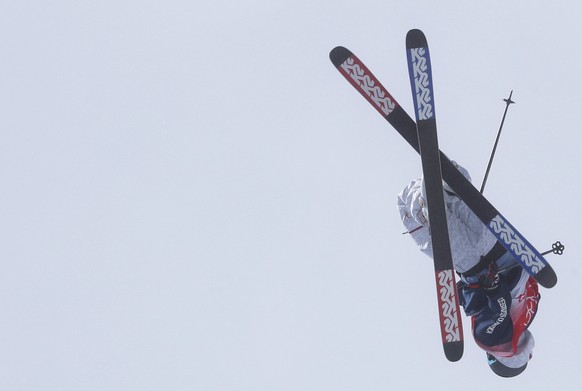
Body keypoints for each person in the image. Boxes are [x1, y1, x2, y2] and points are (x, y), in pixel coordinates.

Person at [397, 161, 540, 377]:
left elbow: (523, 285)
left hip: (497, 242)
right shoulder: (494, 342)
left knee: (456, 201)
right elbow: (499, 311)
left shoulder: (529, 311)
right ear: (500, 358)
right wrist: (491, 288)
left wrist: (463, 293)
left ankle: (449, 182)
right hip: (474, 261)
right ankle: (431, 199)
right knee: (424, 218)